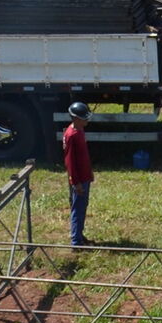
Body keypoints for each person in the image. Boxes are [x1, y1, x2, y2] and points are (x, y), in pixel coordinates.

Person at [63, 102, 94, 246]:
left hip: (84, 176)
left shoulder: (79, 130)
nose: (87, 120)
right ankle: (76, 241)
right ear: (75, 118)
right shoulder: (72, 135)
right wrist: (76, 182)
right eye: (84, 118)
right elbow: (70, 162)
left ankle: (79, 235)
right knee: (78, 208)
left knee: (82, 205)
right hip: (79, 180)